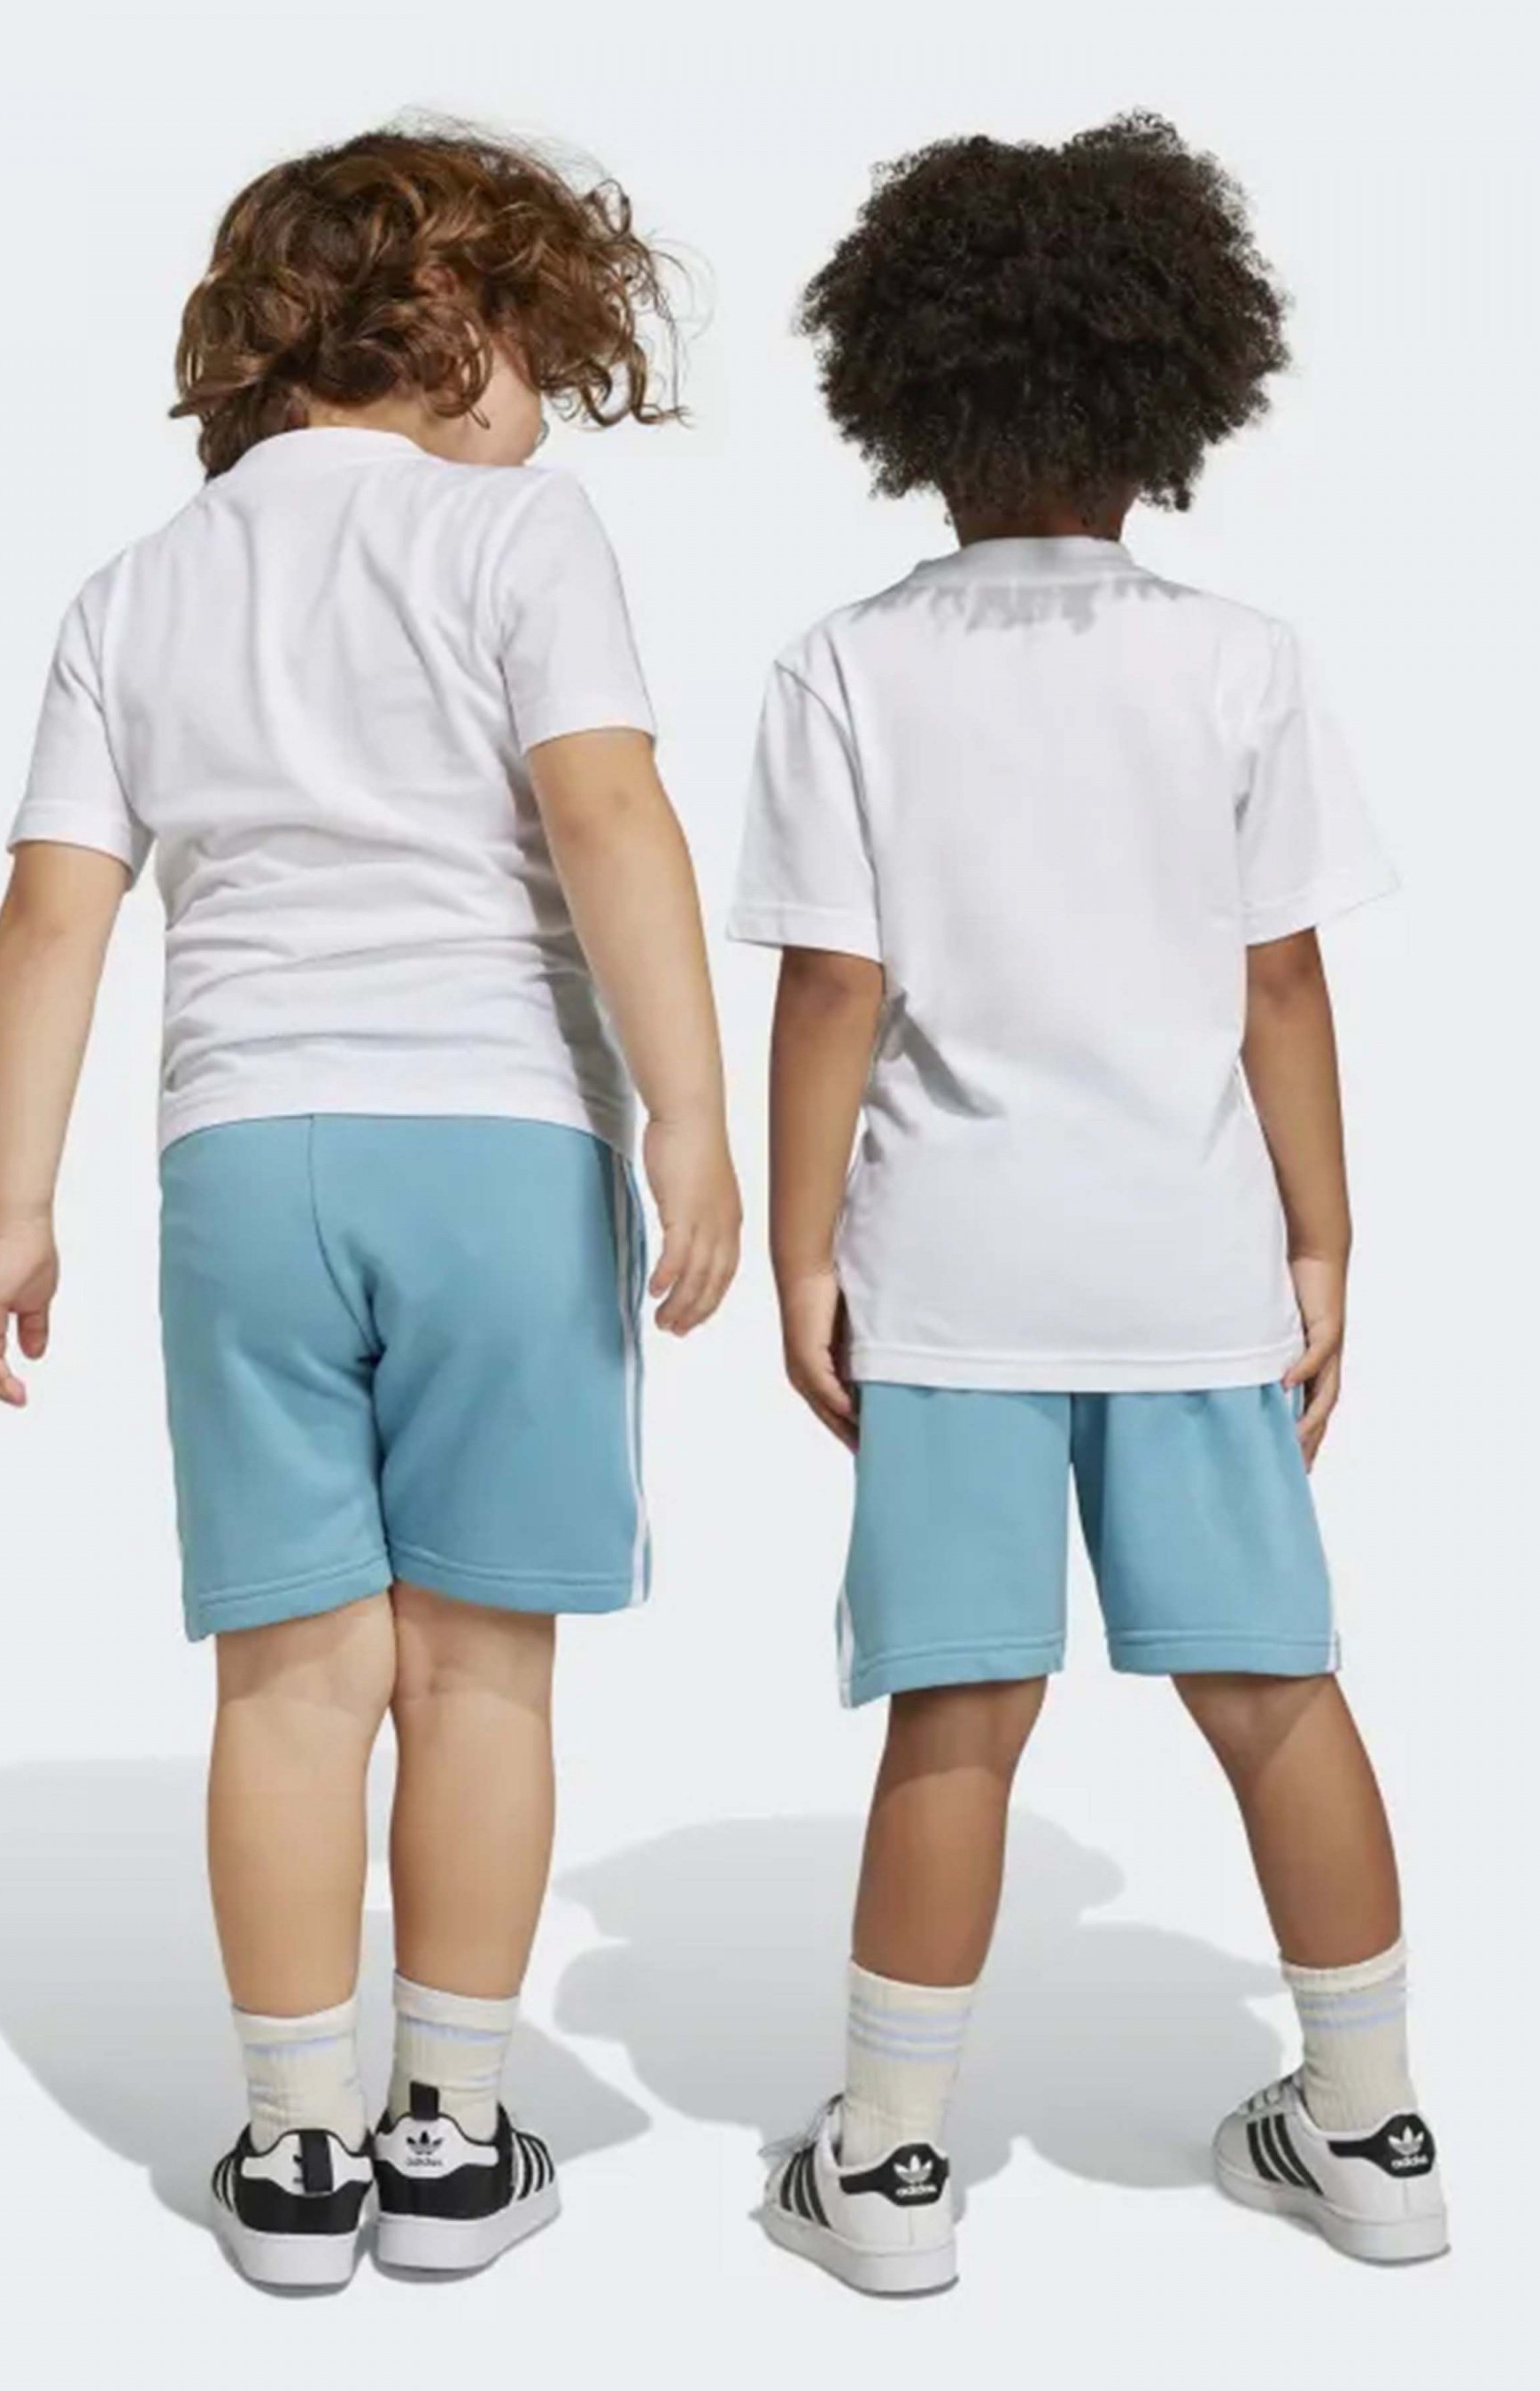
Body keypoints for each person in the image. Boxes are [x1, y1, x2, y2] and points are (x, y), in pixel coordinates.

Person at [0, 125, 739, 2291]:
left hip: (239, 1165)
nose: (547, 407)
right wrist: (689, 1110)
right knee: (480, 1666)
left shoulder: (134, 588)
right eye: (540, 350)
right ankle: (453, 2138)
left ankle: (296, 2155)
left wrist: (13, 1202)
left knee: (290, 1679)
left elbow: (52, 915)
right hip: (498, 1147)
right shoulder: (516, 536)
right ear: (455, 328)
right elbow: (606, 808)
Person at [732, 113, 1444, 2294]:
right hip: (1184, 1266)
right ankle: (1369, 2130)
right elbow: (1278, 980)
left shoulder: (846, 662)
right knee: (1273, 1688)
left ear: (907, 393)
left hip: (952, 1273)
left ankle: (886, 2170)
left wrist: (799, 1246)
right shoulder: (1235, 657)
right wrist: (1319, 1237)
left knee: (958, 1709)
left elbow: (833, 986)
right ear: (1168, 391)